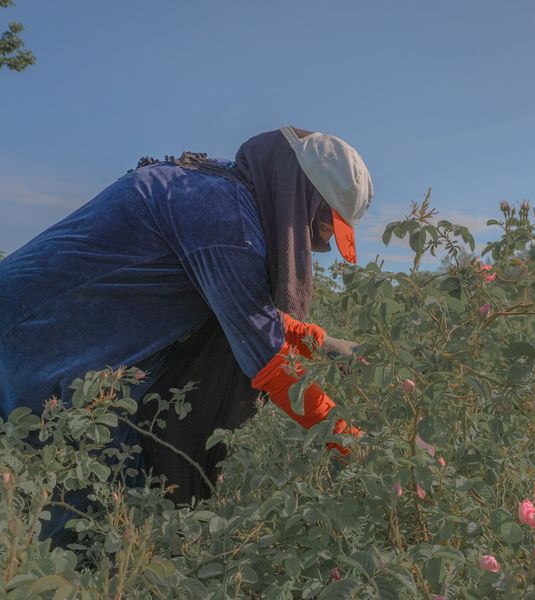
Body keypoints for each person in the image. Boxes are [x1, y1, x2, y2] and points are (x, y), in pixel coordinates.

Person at [0, 125, 372, 539]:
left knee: (109, 492)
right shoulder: (226, 223)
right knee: (93, 512)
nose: (316, 244)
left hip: (56, 344)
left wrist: (324, 344)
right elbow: (269, 360)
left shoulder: (215, 191)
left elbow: (246, 311)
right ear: (296, 196)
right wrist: (353, 444)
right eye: (319, 224)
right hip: (29, 341)